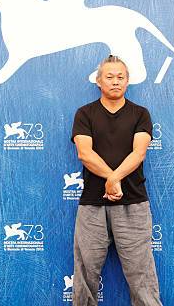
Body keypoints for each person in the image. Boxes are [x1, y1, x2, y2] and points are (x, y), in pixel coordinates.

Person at [70, 55, 163, 306]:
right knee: (85, 273)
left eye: (120, 77)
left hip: (133, 203)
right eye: (109, 77)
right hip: (92, 205)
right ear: (99, 81)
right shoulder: (85, 114)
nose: (115, 82)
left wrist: (115, 178)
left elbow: (139, 152)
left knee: (141, 274)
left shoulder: (140, 114)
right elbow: (84, 153)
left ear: (128, 81)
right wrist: (112, 178)